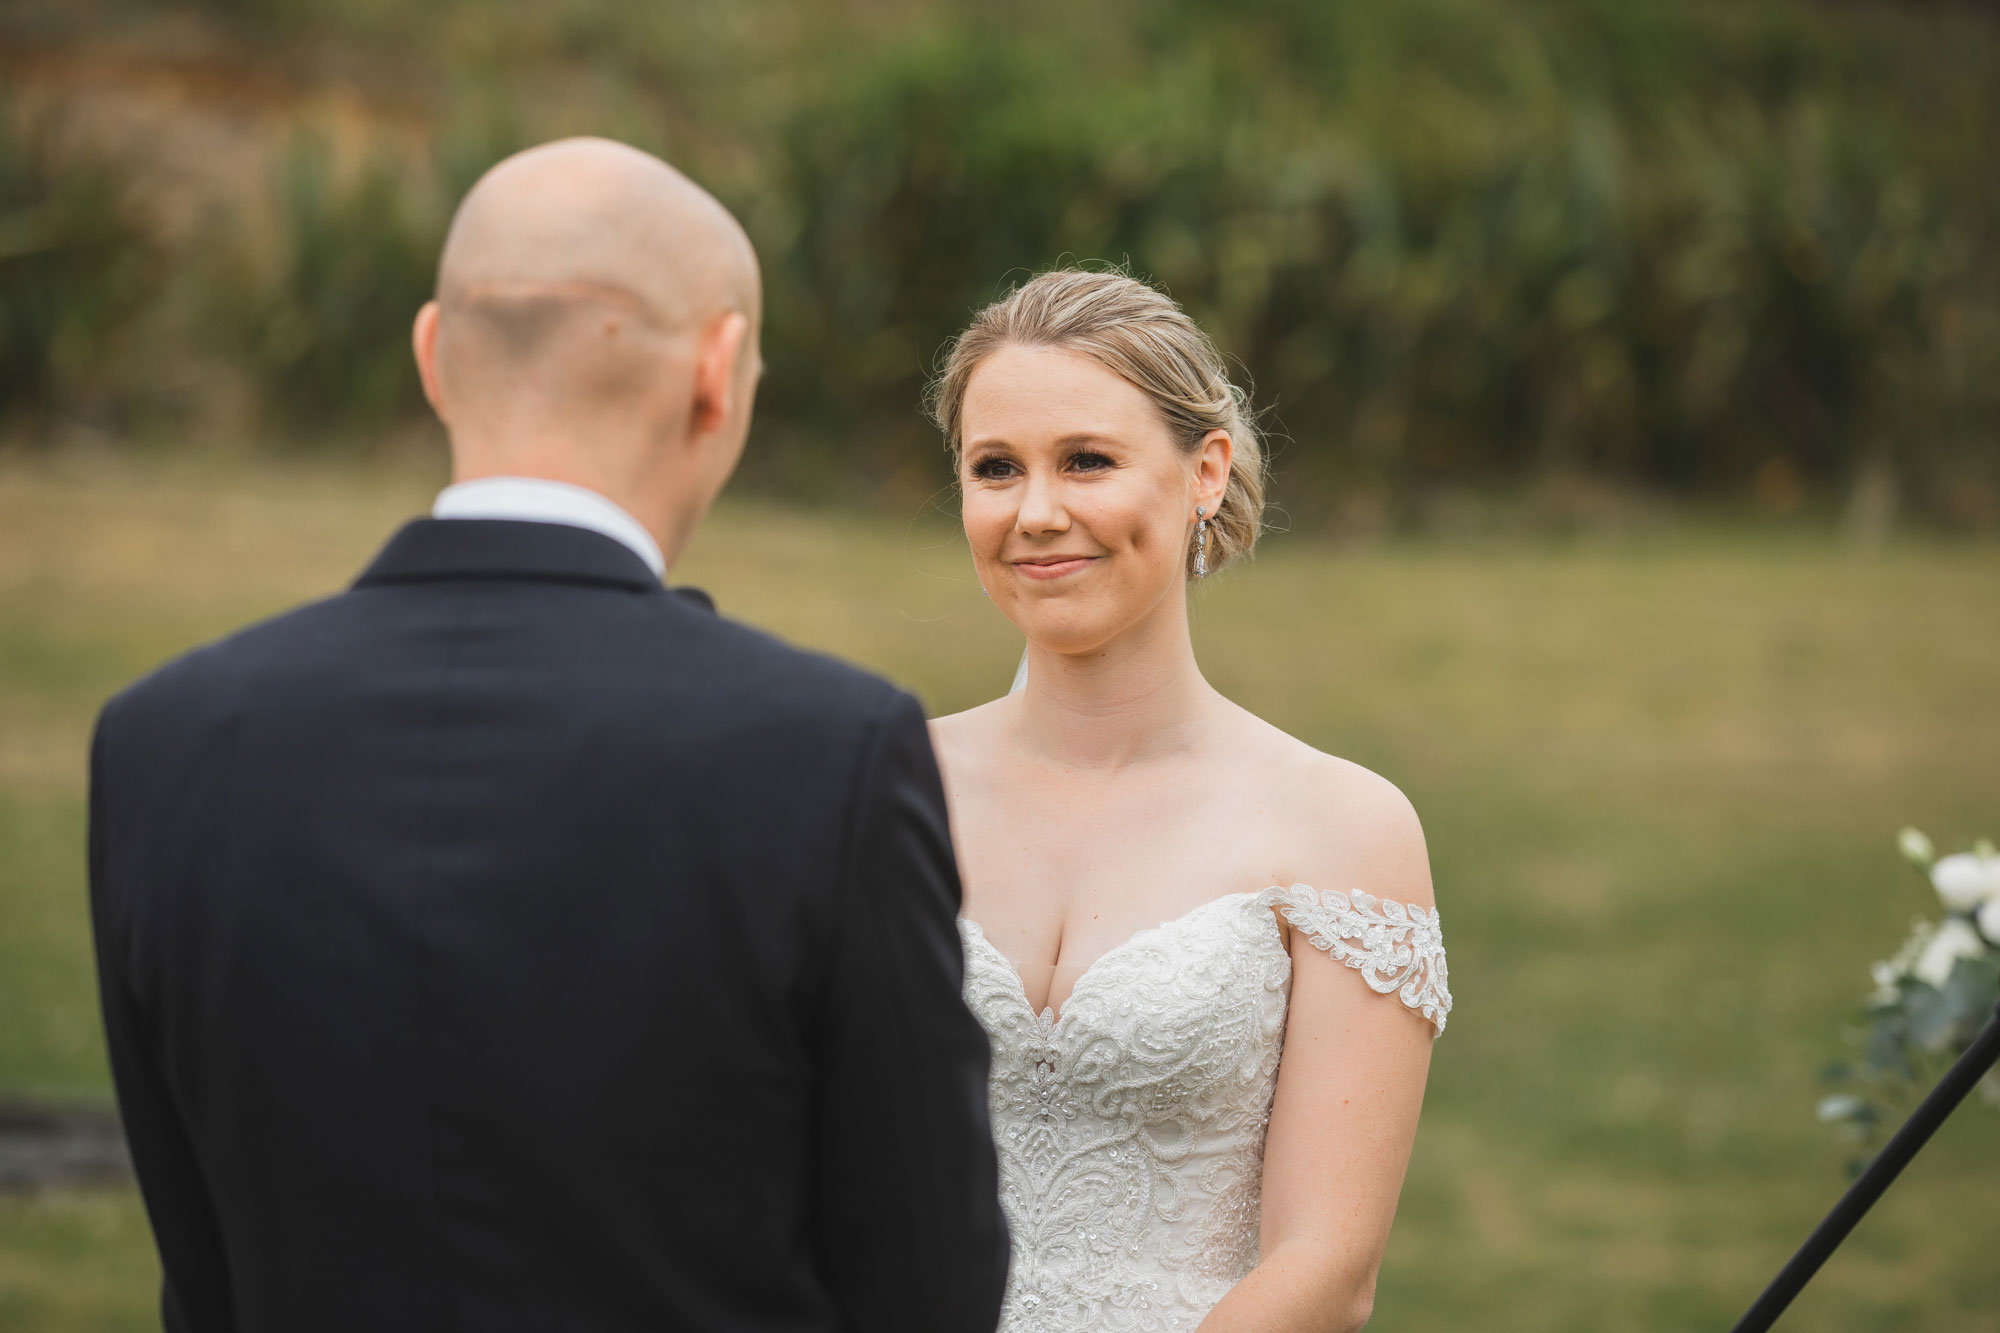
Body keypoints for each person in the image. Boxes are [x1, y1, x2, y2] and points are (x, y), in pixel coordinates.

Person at [87, 137, 1009, 1333]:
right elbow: (926, 1286)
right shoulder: (826, 751)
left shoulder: (165, 740)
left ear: (432, 356)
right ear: (717, 372)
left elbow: (200, 1266)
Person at [927, 268, 1450, 1333]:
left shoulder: (1341, 828)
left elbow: (1328, 1265)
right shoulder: (879, 789)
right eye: (994, 468)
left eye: (1086, 461)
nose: (1035, 513)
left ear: (1204, 470)